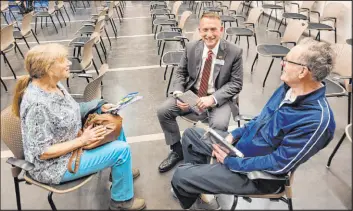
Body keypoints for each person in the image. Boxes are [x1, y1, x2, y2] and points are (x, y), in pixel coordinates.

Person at [171, 37, 337, 209]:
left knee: (181, 176)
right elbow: (260, 119)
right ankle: (199, 188)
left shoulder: (317, 121)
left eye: (287, 61)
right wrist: (233, 135)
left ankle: (191, 187)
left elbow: (279, 164)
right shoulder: (288, 88)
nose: (282, 64)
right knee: (191, 136)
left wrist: (231, 162)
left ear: (303, 72)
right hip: (241, 150)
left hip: (259, 176)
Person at [12, 43, 146, 210]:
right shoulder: (37, 105)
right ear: (47, 68)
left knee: (112, 121)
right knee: (121, 150)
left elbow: (72, 109)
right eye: (63, 60)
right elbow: (42, 152)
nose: (69, 63)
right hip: (54, 167)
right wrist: (82, 140)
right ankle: (121, 202)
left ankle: (119, 173)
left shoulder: (54, 85)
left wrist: (100, 106)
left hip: (71, 144)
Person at [157, 12, 243, 173]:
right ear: (199, 30)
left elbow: (236, 83)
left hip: (219, 99)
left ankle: (207, 161)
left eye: (213, 29)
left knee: (219, 125)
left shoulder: (234, 52)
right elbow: (180, 72)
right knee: (163, 111)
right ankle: (177, 150)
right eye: (205, 30)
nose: (209, 35)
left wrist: (213, 98)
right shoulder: (191, 47)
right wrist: (178, 93)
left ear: (221, 30)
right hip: (193, 95)